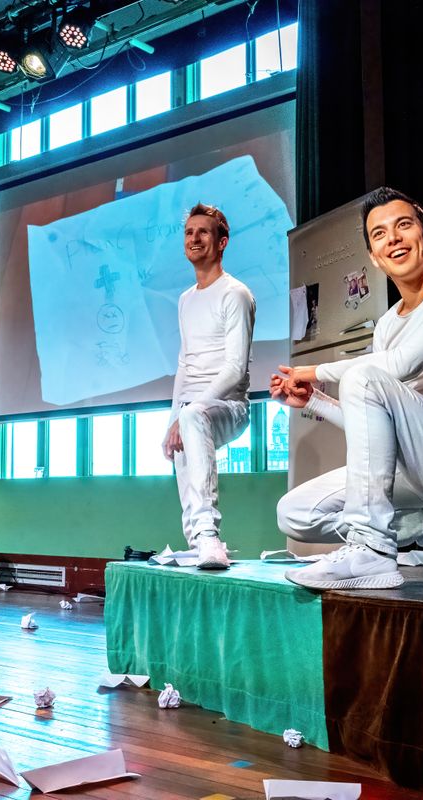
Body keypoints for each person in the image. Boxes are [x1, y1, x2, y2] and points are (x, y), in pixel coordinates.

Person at [272, 187, 423, 589]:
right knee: (295, 512)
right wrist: (314, 401)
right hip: (422, 471)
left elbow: (401, 364)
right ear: (373, 256)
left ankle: (372, 548)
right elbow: (375, 422)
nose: (393, 239)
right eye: (380, 234)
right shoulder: (387, 325)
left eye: (403, 225)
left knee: (365, 376)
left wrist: (314, 371)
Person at [162, 203, 256, 569]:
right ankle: (196, 543)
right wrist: (172, 420)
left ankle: (208, 535)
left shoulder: (235, 294)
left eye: (203, 232)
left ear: (222, 242)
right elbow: (184, 365)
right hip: (192, 408)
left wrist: (186, 414)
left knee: (193, 415)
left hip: (230, 406)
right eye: (189, 232)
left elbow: (234, 369)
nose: (194, 238)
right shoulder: (186, 299)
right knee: (187, 425)